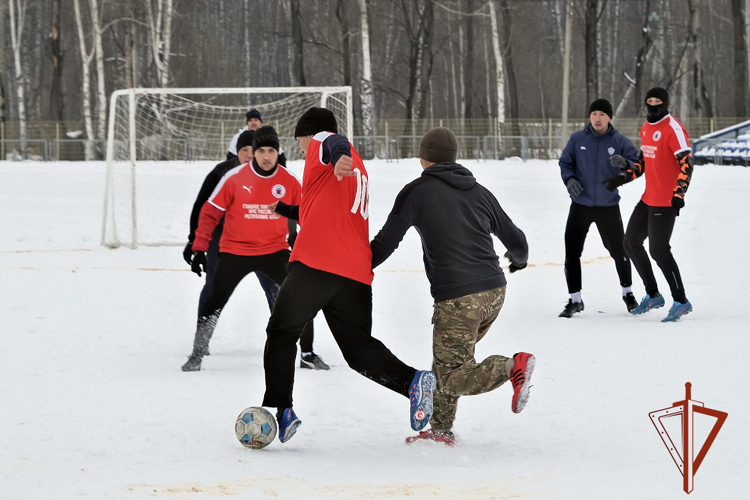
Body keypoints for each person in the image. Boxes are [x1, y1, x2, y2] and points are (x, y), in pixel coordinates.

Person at [262, 107, 437, 444]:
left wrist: (336, 151)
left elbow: (332, 140)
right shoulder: (358, 168)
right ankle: (413, 381)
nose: (300, 149)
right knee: (358, 350)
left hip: (317, 263)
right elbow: (319, 207)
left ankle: (282, 410)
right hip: (355, 272)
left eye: (300, 142)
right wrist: (284, 210)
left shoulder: (323, 143)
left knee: (281, 331)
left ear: (307, 135)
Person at [369, 127, 535, 446]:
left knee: (452, 374)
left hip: (459, 298)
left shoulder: (415, 192)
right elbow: (517, 240)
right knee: (448, 360)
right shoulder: (480, 192)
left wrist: (355, 269)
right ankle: (441, 429)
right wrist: (519, 260)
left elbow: (386, 241)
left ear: (423, 157)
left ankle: (512, 366)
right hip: (495, 291)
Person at [181, 126, 328, 372]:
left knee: (301, 295)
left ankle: (308, 354)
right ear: (255, 153)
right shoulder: (234, 177)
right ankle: (197, 354)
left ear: (277, 151)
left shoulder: (289, 180)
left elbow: (307, 215)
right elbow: (209, 213)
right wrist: (199, 248)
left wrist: (315, 247)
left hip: (274, 250)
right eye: (261, 150)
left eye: (272, 150)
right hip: (235, 252)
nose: (266, 156)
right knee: (213, 299)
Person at [605, 87, 694, 322]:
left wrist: (679, 193)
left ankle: (681, 301)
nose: (653, 104)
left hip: (666, 201)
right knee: (631, 242)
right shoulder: (646, 128)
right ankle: (653, 295)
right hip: (649, 198)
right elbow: (644, 163)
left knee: (659, 250)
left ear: (665, 103)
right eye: (649, 101)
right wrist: (621, 178)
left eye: (657, 101)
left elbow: (686, 163)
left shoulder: (673, 128)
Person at [183, 130, 281, 333]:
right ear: (237, 153)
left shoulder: (273, 173)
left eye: (251, 150)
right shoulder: (223, 173)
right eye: (243, 150)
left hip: (261, 238)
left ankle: (287, 338)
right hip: (223, 236)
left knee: (276, 287)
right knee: (213, 287)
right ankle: (202, 339)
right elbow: (202, 207)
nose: (248, 155)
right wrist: (194, 242)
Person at [558, 98, 639, 318]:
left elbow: (638, 163)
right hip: (580, 205)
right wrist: (570, 180)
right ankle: (575, 299)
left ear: (609, 117)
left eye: (602, 114)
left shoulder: (620, 141)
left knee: (619, 251)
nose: (597, 118)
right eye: (594, 113)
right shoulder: (577, 139)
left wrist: (626, 164)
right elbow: (565, 163)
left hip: (608, 206)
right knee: (572, 252)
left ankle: (628, 294)